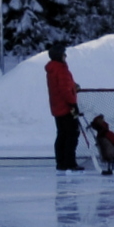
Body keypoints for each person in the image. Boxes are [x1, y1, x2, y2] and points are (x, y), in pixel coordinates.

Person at [46, 41, 82, 173]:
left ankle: (61, 162)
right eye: (63, 54)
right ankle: (70, 162)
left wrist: (73, 86)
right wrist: (73, 104)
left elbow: (64, 85)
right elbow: (65, 89)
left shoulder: (52, 69)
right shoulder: (61, 69)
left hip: (57, 107)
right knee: (72, 135)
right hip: (66, 107)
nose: (65, 56)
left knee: (62, 135)